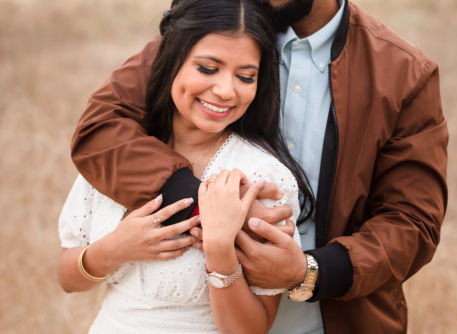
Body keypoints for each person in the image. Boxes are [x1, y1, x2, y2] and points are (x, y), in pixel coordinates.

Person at [70, 0, 449, 333]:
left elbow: (412, 222)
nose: (225, 86)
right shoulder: (218, 30)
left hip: (332, 322)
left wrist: (308, 271)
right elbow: (101, 127)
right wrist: (213, 207)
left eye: (246, 76)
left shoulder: (404, 74)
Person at [57, 0, 315, 333]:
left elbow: (250, 329)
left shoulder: (262, 177)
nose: (225, 91)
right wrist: (115, 248)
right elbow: (67, 278)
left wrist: (221, 249)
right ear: (171, 60)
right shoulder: (119, 152)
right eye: (208, 69)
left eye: (245, 76)